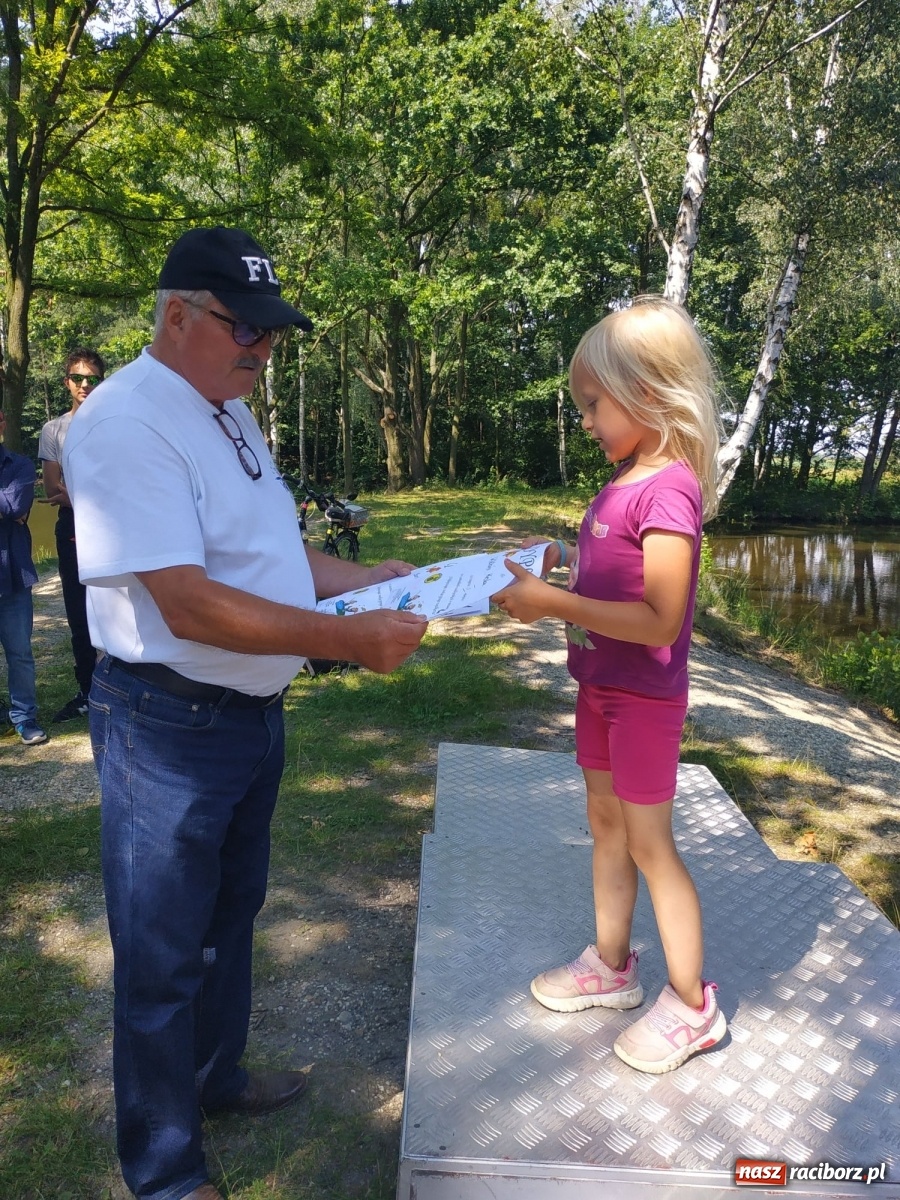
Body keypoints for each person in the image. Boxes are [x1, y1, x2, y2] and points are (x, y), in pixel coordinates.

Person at [62, 226, 428, 1200]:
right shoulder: (126, 422)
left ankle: (214, 1080)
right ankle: (166, 1171)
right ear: (177, 315)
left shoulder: (224, 406)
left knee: (230, 915)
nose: (263, 350)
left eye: (272, 335)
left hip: (246, 720)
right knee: (160, 952)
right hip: (166, 728)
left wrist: (371, 581)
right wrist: (348, 639)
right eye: (245, 330)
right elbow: (185, 600)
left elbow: (273, 556)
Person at [492, 297, 727, 1075]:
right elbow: (615, 570)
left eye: (593, 404)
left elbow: (662, 619)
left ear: (651, 394)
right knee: (604, 824)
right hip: (597, 687)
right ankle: (612, 965)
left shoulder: (671, 492)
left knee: (653, 845)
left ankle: (694, 1005)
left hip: (645, 700)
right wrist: (562, 559)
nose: (586, 421)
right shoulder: (627, 480)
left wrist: (551, 603)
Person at [38, 348, 106, 721]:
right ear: (66, 381)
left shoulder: (116, 424)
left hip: (113, 529)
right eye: (78, 378)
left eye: (92, 379)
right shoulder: (55, 430)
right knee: (79, 612)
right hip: (74, 530)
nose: (84, 385)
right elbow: (52, 489)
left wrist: (78, 491)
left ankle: (123, 685)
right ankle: (87, 691)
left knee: (118, 605)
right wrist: (95, 496)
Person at [0, 408, 48, 745]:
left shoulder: (19, 465)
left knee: (19, 654)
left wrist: (11, 507)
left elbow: (16, 507)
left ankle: (24, 716)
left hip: (12, 577)